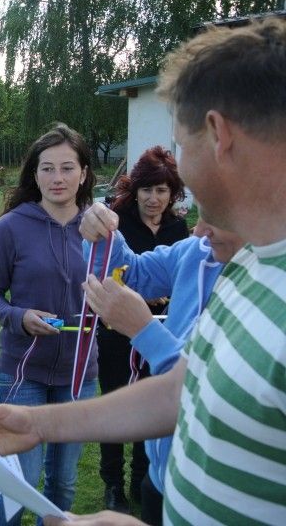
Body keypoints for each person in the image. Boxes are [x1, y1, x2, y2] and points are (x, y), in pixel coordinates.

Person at [0, 18, 286, 525]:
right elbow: (183, 390)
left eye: (181, 143)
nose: (176, 171)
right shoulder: (245, 268)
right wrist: (36, 423)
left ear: (218, 135)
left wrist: (143, 329)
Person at [80, 202, 244, 525]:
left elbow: (210, 393)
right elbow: (133, 272)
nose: (198, 229)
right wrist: (103, 233)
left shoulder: (269, 290)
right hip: (162, 473)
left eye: (215, 213)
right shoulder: (197, 251)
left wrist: (145, 331)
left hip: (213, 492)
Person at [0, 123, 97, 525]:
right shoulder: (11, 227)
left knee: (63, 484)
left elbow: (121, 280)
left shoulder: (98, 229)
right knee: (20, 484)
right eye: (47, 168)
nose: (57, 178)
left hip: (79, 374)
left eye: (67, 168)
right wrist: (20, 317)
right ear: (35, 174)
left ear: (83, 173)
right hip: (23, 372)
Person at [95, 146, 189, 513]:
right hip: (118, 332)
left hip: (160, 333)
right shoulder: (118, 222)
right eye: (147, 189)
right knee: (114, 405)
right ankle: (113, 484)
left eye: (161, 190)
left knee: (151, 406)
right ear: (135, 191)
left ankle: (141, 477)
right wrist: (138, 294)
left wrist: (165, 296)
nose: (153, 198)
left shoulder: (178, 228)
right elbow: (109, 270)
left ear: (173, 193)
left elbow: (180, 278)